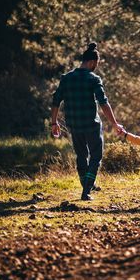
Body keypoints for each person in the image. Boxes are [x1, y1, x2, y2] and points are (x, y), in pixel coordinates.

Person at [51, 42, 123, 201]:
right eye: (96, 64)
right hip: (91, 124)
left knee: (81, 155)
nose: (95, 67)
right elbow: (103, 102)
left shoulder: (66, 78)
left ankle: (88, 184)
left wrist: (54, 123)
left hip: (74, 125)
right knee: (96, 156)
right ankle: (86, 191)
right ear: (91, 62)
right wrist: (114, 123)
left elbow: (56, 101)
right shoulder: (93, 79)